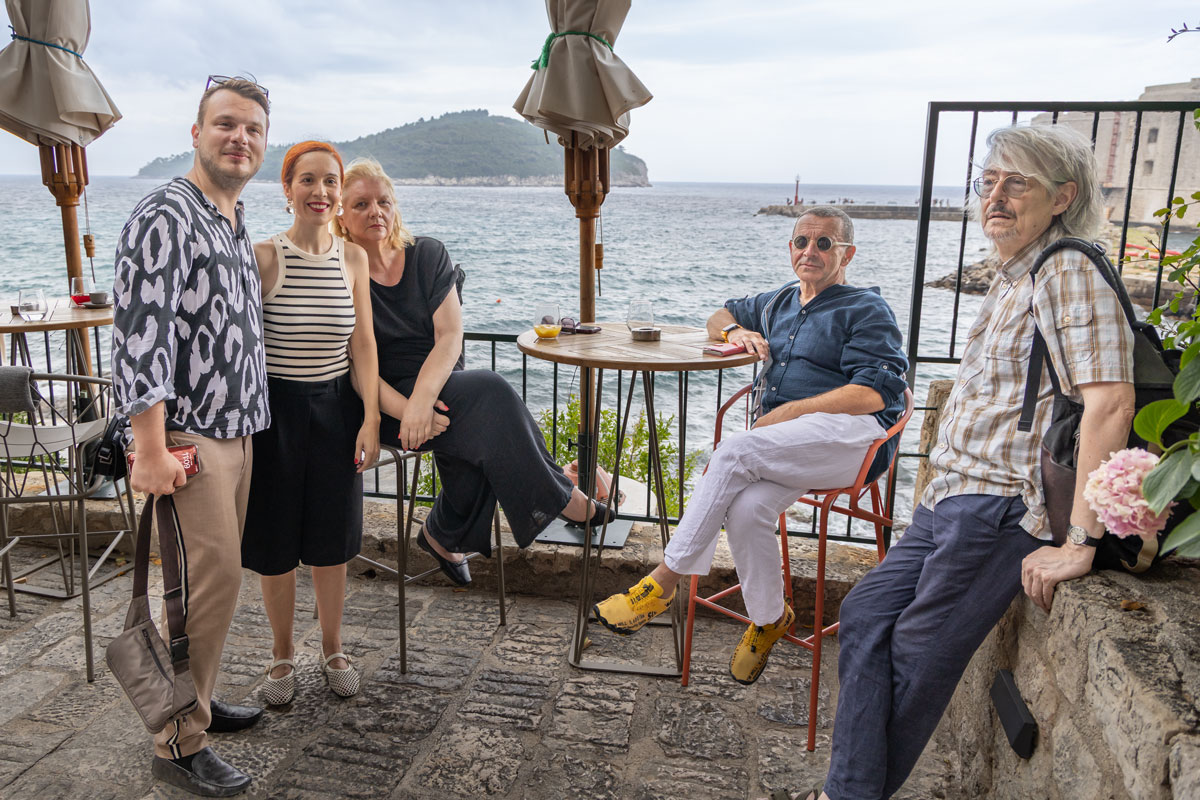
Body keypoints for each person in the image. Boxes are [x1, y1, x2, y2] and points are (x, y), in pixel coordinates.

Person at [799, 125, 1135, 800]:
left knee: (918, 651)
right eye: (989, 182)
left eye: (1018, 183)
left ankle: (848, 794)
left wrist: (1080, 541)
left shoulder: (1066, 269)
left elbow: (1111, 402)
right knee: (865, 613)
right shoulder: (1016, 274)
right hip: (950, 496)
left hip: (1001, 506)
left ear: (1063, 197)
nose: (996, 196)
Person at [593, 206, 909, 686]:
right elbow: (718, 315)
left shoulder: (865, 309)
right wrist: (735, 331)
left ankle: (660, 585)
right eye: (801, 241)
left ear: (847, 254)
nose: (810, 251)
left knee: (735, 451)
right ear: (790, 248)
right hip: (791, 444)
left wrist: (789, 412)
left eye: (824, 243)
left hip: (854, 440)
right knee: (746, 510)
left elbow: (874, 394)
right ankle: (769, 619)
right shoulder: (779, 301)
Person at [332, 158, 611, 583]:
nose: (376, 212)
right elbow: (358, 367)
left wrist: (423, 402)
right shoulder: (341, 272)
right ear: (342, 217)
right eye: (361, 205)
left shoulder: (427, 254)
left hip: (437, 383)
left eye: (384, 201)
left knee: (482, 411)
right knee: (488, 401)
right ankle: (535, 506)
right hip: (383, 404)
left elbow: (449, 336)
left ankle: (448, 532)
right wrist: (409, 411)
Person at [112, 76, 272, 797]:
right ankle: (177, 744)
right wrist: (149, 447)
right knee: (205, 586)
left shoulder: (229, 218)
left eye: (253, 129)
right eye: (226, 124)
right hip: (188, 438)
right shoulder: (167, 213)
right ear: (197, 133)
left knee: (214, 585)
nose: (240, 138)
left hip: (236, 432)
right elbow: (139, 336)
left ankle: (195, 702)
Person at [240, 141, 380, 706]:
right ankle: (281, 655)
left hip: (336, 409)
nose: (320, 192)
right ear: (287, 188)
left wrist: (371, 417)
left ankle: (332, 649)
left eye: (330, 182)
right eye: (308, 180)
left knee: (331, 539)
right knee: (274, 541)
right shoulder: (262, 257)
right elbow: (241, 348)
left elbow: (363, 344)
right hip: (273, 413)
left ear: (339, 193)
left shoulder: (354, 259)